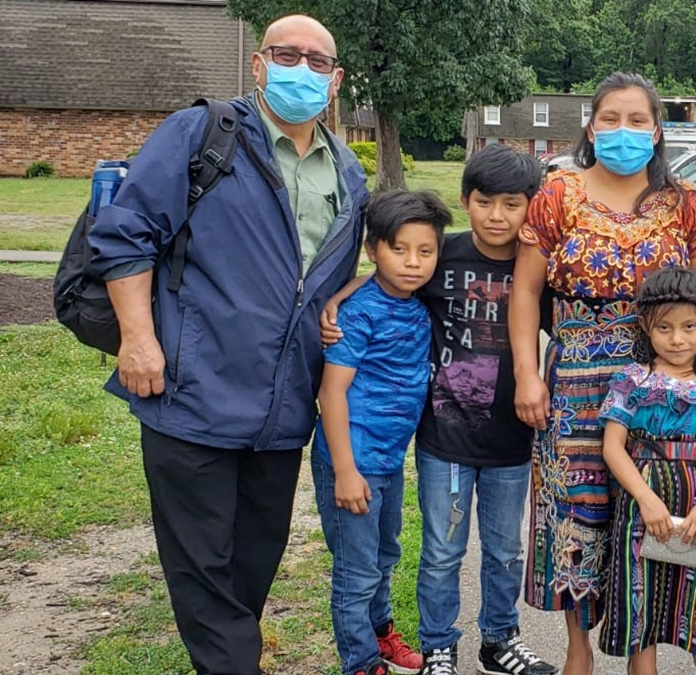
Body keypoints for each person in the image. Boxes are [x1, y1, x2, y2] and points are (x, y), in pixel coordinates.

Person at [87, 15, 370, 675]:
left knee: (252, 563)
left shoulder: (349, 173)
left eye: (317, 60)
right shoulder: (202, 134)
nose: (302, 68)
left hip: (282, 409)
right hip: (192, 392)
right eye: (286, 54)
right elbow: (126, 232)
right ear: (258, 63)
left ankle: (226, 658)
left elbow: (329, 275)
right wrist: (137, 338)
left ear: (336, 81)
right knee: (203, 569)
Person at [508, 71, 696, 675]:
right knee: (579, 514)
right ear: (590, 126)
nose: (624, 131)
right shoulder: (558, 195)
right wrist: (529, 374)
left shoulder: (686, 203)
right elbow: (526, 293)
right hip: (575, 380)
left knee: (649, 512)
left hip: (665, 387)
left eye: (637, 120)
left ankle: (643, 643)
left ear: (657, 131)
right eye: (611, 119)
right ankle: (578, 649)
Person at [321, 145, 559, 675]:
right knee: (441, 554)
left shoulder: (536, 269)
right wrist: (345, 293)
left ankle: (499, 639)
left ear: (530, 207)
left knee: (503, 552)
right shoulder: (439, 255)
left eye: (512, 204)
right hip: (444, 442)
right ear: (465, 201)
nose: (497, 216)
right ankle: (438, 645)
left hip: (511, 441)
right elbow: (392, 274)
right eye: (484, 202)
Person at [314, 190, 450, 675]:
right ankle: (360, 662)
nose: (413, 263)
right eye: (399, 249)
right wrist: (346, 471)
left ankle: (380, 633)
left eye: (425, 251)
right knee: (356, 569)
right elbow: (331, 394)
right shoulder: (359, 313)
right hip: (352, 458)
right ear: (374, 249)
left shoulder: (416, 301)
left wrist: (346, 286)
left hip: (389, 460)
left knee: (386, 552)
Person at [598, 267, 696, 675]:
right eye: (664, 327)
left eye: (689, 326)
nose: (677, 338)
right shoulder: (632, 382)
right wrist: (646, 500)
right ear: (646, 328)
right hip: (642, 514)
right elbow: (613, 447)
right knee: (642, 606)